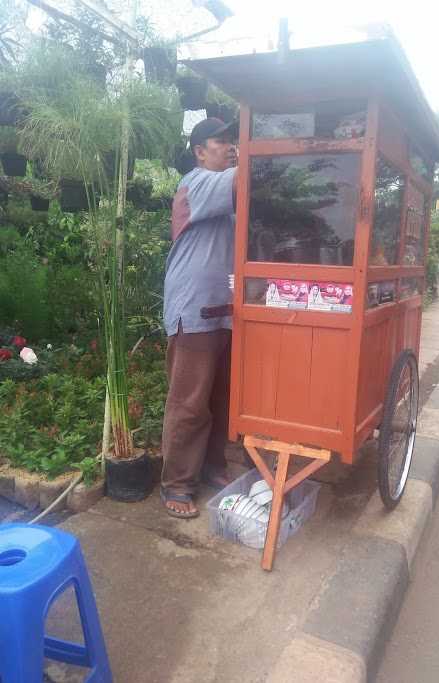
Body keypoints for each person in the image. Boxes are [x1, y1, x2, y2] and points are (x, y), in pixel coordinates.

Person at [161, 117, 238, 518]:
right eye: (221, 141)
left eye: (232, 142)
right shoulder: (199, 182)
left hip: (223, 311)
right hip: (193, 309)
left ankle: (212, 466)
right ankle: (177, 484)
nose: (230, 148)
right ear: (199, 151)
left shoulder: (224, 197)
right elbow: (249, 178)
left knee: (221, 398)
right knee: (189, 402)